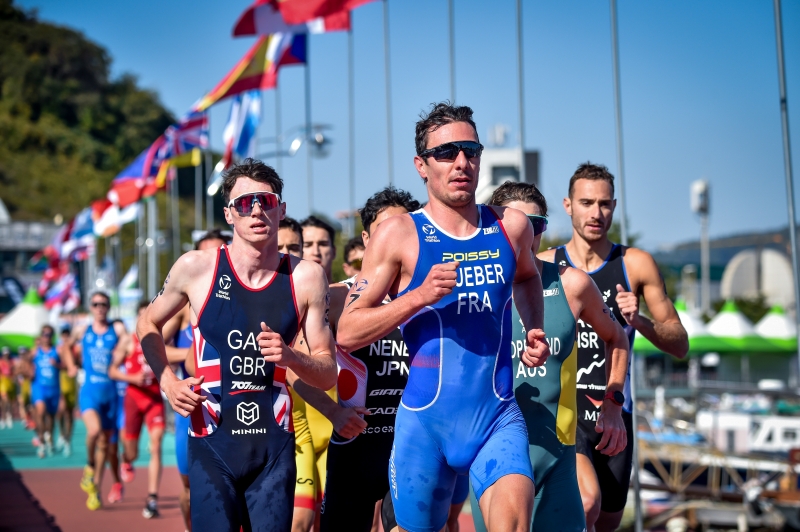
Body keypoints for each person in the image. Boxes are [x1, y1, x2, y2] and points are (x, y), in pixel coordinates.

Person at [337, 102, 550, 532]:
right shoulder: (398, 234)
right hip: (425, 425)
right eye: (446, 152)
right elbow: (347, 330)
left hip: (496, 418)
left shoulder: (511, 227)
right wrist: (418, 296)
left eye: (471, 151)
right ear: (422, 165)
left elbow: (528, 277)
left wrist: (534, 327)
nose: (461, 162)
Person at [138, 158, 337, 532]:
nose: (257, 210)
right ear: (229, 214)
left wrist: (292, 356)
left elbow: (328, 373)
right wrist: (167, 382)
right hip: (212, 444)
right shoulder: (196, 268)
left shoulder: (306, 277)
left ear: (281, 210)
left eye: (266, 201)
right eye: (245, 203)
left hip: (274, 450)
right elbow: (147, 322)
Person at [468, 181, 630, 532]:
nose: (527, 235)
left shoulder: (572, 285)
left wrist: (613, 403)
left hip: (557, 460)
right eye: (516, 224)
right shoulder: (473, 288)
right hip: (493, 456)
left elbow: (617, 338)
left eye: (536, 224)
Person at [539, 162, 689, 532]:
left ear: (614, 207)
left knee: (606, 520)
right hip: (564, 412)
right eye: (586, 202)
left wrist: (639, 321)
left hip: (615, 412)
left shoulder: (634, 265)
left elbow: (680, 344)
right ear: (568, 205)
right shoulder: (546, 265)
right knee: (585, 503)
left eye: (604, 204)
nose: (596, 213)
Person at [165, 228, 231, 532]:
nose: (212, 261)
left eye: (219, 253)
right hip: (194, 408)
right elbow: (152, 343)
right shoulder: (184, 306)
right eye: (205, 253)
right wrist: (192, 356)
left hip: (233, 406)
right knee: (191, 489)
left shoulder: (239, 298)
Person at [67, 290, 128, 510]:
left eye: (103, 304)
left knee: (106, 445)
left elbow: (129, 344)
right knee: (94, 432)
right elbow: (65, 346)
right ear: (90, 307)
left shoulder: (117, 329)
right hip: (90, 392)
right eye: (95, 304)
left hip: (111, 394)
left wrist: (122, 354)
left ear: (109, 307)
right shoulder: (82, 329)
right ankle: (89, 466)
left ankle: (95, 489)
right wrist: (71, 365)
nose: (100, 307)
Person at [299, 214, 339, 525]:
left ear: (333, 251)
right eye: (308, 243)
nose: (315, 250)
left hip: (340, 431)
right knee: (297, 522)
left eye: (323, 243)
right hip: (298, 427)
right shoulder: (284, 299)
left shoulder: (350, 298)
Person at [109, 301, 166, 519]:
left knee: (156, 444)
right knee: (132, 452)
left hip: (153, 399)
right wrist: (132, 378)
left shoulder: (160, 339)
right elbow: (112, 371)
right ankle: (126, 460)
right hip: (133, 399)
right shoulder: (128, 341)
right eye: (142, 316)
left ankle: (152, 498)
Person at [31, 325, 64, 458]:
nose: (47, 337)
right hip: (39, 387)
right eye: (45, 334)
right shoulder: (35, 351)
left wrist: (57, 365)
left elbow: (67, 365)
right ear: (41, 336)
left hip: (54, 388)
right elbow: (25, 363)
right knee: (40, 411)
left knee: (51, 417)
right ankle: (41, 441)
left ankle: (49, 437)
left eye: (50, 335)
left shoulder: (57, 350)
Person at [56, 327, 78, 456]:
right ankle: (61, 433)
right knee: (61, 411)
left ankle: (68, 439)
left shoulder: (76, 350)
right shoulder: (59, 349)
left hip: (72, 383)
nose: (65, 337)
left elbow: (79, 364)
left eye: (67, 335)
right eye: (63, 335)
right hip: (61, 382)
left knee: (69, 413)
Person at [301, 215, 337, 283]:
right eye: (307, 245)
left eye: (323, 244)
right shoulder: (283, 289)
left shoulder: (349, 289)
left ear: (334, 252)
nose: (316, 252)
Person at [0, 346, 14, 428]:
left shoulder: (12, 362)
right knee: (4, 400)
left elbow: (14, 372)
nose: (6, 355)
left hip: (11, 383)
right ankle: (3, 417)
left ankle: (9, 416)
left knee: (10, 402)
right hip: (3, 383)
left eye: (7, 354)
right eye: (5, 354)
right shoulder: (0, 362)